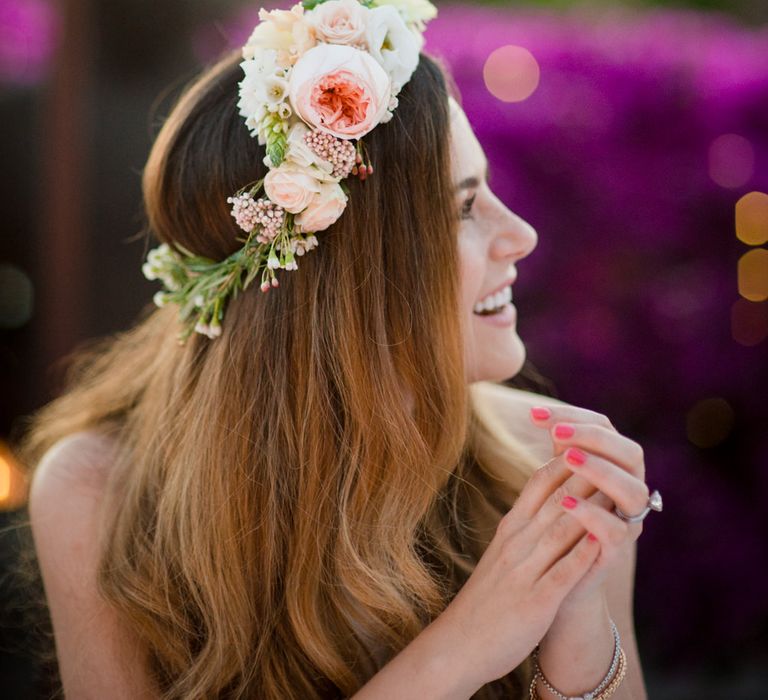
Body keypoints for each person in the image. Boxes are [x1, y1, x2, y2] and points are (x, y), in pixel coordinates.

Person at [20, 1, 658, 698]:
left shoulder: (551, 469)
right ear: (350, 280)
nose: (521, 236)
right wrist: (463, 648)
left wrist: (575, 623)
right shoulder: (101, 494)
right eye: (461, 209)